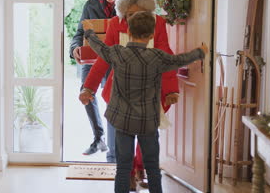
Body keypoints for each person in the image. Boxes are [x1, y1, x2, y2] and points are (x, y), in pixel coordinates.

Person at [81, 12, 207, 193]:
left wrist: (89, 32)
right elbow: (180, 59)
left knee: (123, 169)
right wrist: (200, 52)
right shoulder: (157, 57)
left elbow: (98, 46)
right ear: (151, 35)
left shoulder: (117, 53)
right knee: (153, 168)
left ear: (129, 32)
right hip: (148, 121)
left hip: (122, 121)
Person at [78, 0, 179, 187]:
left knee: (148, 144)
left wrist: (171, 90)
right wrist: (88, 88)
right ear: (124, 14)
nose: (135, 18)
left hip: (150, 93)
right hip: (122, 94)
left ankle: (141, 168)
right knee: (123, 150)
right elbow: (103, 59)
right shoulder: (116, 23)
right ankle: (130, 173)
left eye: (140, 14)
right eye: (130, 14)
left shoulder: (158, 23)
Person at [69, 0, 126, 155]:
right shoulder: (91, 5)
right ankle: (98, 138)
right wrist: (75, 48)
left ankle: (115, 150)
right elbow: (79, 33)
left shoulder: (130, 3)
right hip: (93, 58)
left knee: (113, 98)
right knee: (86, 93)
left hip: (117, 60)